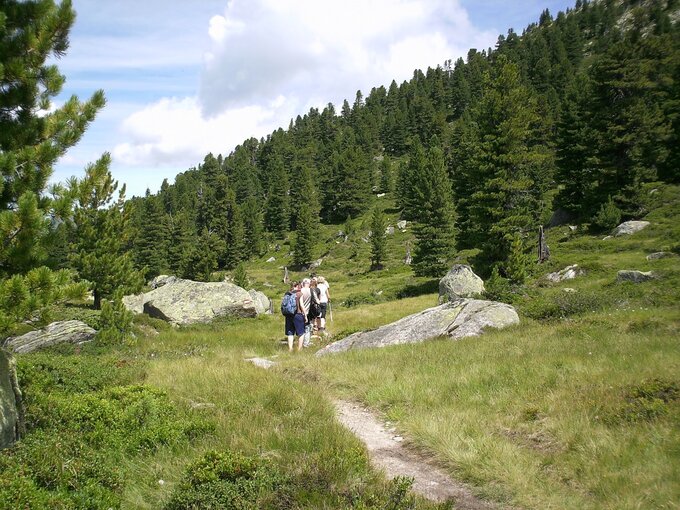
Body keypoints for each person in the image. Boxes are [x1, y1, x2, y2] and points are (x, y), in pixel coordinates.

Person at [284, 281, 305, 351]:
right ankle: (299, 348)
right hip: (298, 314)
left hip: (288, 315)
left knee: (290, 333)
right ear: (297, 286)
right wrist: (305, 315)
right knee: (301, 333)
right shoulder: (299, 294)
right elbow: (301, 305)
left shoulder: (287, 294)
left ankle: (290, 348)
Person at [298, 278, 312, 347]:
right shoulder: (311, 291)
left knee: (301, 328)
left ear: (303, 283)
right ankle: (306, 343)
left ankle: (301, 342)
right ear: (309, 283)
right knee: (307, 327)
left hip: (300, 312)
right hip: (308, 311)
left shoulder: (300, 291)